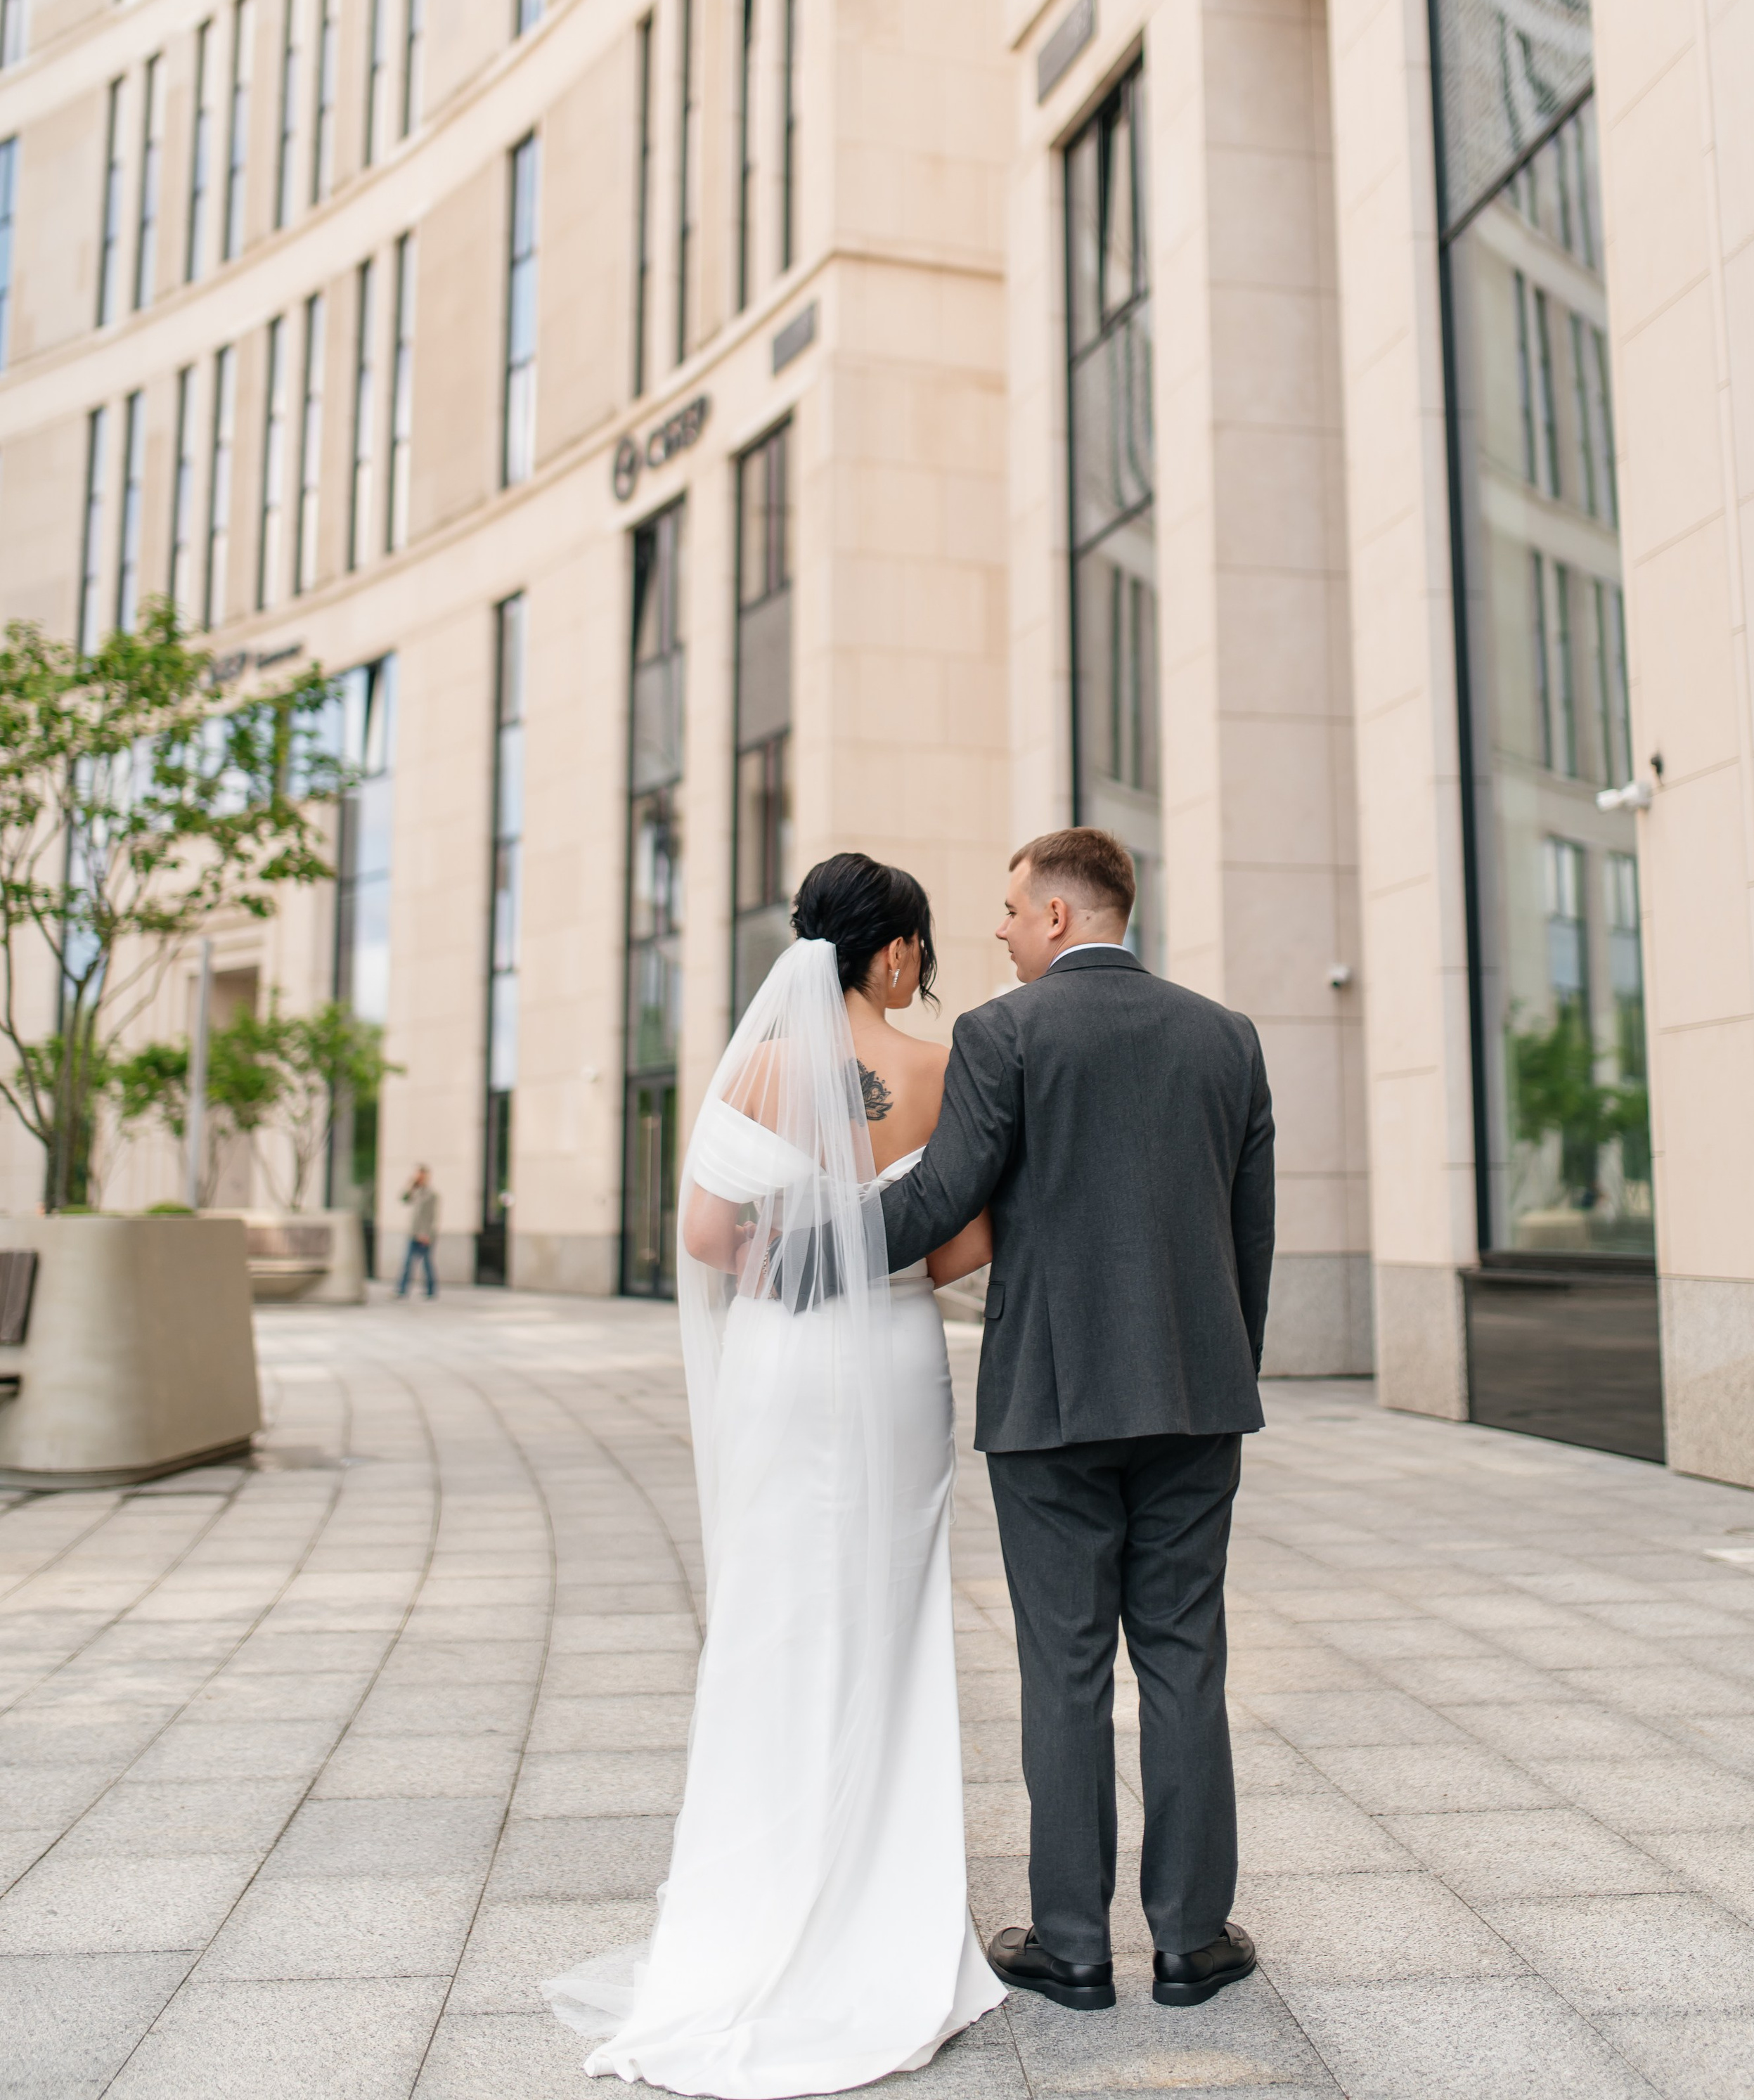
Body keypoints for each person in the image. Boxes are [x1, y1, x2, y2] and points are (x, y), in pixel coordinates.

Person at [543, 853, 1004, 2096]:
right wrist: (881, 1255)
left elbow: (702, 1235)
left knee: (772, 1613)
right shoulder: (938, 1067)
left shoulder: (755, 1064)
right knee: (886, 1617)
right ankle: (877, 1895)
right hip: (888, 1356)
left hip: (778, 1363)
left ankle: (752, 1892)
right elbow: (962, 1241)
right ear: (896, 951)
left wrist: (787, 1257)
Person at [879, 826, 1275, 2015]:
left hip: (1051, 1405)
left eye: (1009, 907)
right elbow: (1248, 1233)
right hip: (1196, 1397)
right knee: (1185, 1660)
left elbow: (944, 1198)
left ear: (1058, 915)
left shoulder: (1002, 1034)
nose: (997, 928)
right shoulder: (1227, 1035)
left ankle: (1073, 1945)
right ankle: (1195, 1940)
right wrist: (1219, 1370)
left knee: (1061, 1671)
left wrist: (795, 1244)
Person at [394, 1165, 439, 1299]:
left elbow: (432, 1217)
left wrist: (426, 1234)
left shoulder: (431, 1195)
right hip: (413, 1233)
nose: (419, 1178)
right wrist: (410, 1185)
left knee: (427, 1263)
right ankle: (402, 1289)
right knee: (407, 1262)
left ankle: (431, 1290)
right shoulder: (416, 1192)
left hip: (425, 1235)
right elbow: (403, 1199)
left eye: (421, 1175)